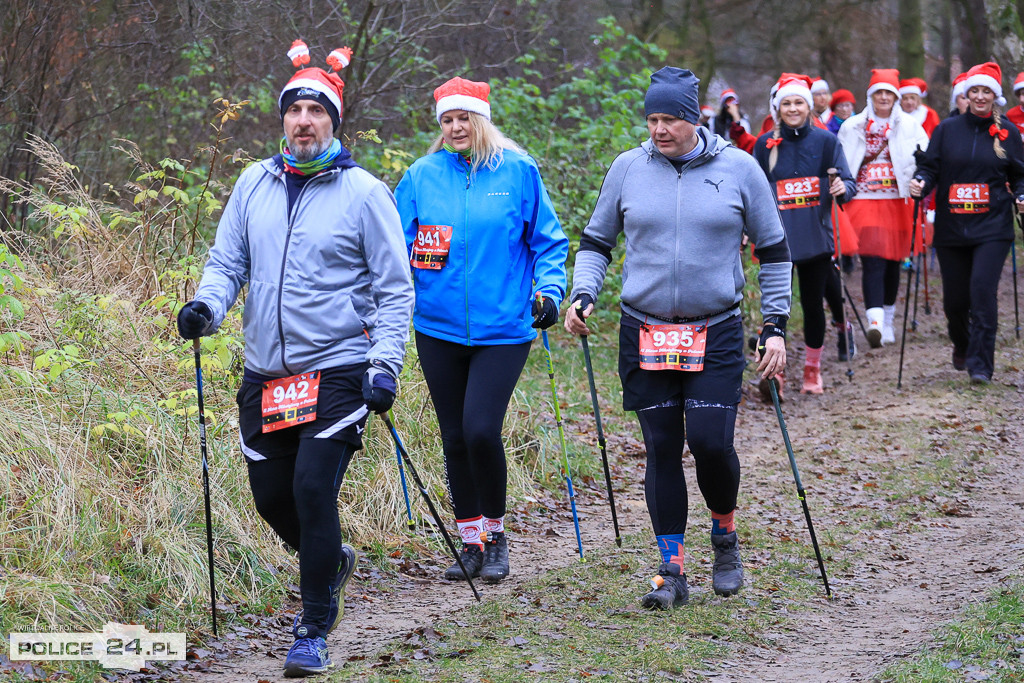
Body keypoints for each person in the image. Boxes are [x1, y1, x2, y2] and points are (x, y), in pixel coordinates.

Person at [176, 42, 414, 677]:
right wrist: (206, 307)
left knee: (313, 489)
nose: (304, 121)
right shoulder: (253, 183)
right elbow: (228, 265)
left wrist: (384, 364)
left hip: (338, 365)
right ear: (281, 119)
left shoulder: (365, 193)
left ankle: (311, 629)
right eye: (294, 110)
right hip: (266, 372)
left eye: (317, 111)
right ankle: (331, 561)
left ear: (334, 122)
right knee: (270, 498)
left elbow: (395, 289)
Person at [564, 67, 791, 609]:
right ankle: (672, 569)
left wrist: (776, 326)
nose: (658, 129)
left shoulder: (739, 169)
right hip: (645, 328)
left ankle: (725, 535)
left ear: (694, 118)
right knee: (661, 447)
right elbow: (597, 240)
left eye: (669, 119)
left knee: (711, 442)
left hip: (714, 328)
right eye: (652, 119)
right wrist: (583, 293)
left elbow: (775, 249)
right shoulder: (628, 168)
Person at [395, 77, 568, 585]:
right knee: (453, 438)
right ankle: (469, 540)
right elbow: (393, 252)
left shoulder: (517, 172)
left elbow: (549, 242)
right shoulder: (421, 176)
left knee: (479, 430)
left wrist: (550, 293)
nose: (454, 127)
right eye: (447, 120)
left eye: (463, 118)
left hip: (504, 327)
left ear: (481, 120)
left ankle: (496, 537)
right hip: (437, 326)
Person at [910, 62, 1024, 384]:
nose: (979, 96)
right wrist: (920, 181)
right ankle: (962, 342)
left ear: (994, 96)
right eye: (974, 91)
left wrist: (1021, 195)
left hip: (993, 226)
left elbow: (1020, 175)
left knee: (982, 293)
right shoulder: (947, 130)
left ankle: (980, 366)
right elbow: (930, 168)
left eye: (986, 91)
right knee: (956, 301)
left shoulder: (1009, 133)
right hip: (952, 228)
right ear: (965, 95)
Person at [755, 74, 857, 394]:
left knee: (813, 306)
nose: (793, 108)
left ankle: (812, 370)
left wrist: (842, 188)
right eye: (786, 103)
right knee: (775, 308)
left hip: (815, 238)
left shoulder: (826, 141)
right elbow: (750, 191)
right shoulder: (765, 145)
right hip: (777, 242)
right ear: (777, 108)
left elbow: (849, 184)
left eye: (799, 102)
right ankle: (775, 373)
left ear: (810, 107)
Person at [839, 68, 929, 347]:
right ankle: (874, 322)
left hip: (897, 200)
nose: (883, 97)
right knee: (872, 260)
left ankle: (888, 320)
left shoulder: (910, 126)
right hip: (864, 200)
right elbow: (841, 158)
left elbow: (925, 159)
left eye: (888, 93)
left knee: (892, 263)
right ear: (871, 95)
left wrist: (919, 180)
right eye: (878, 92)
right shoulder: (852, 125)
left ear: (896, 96)